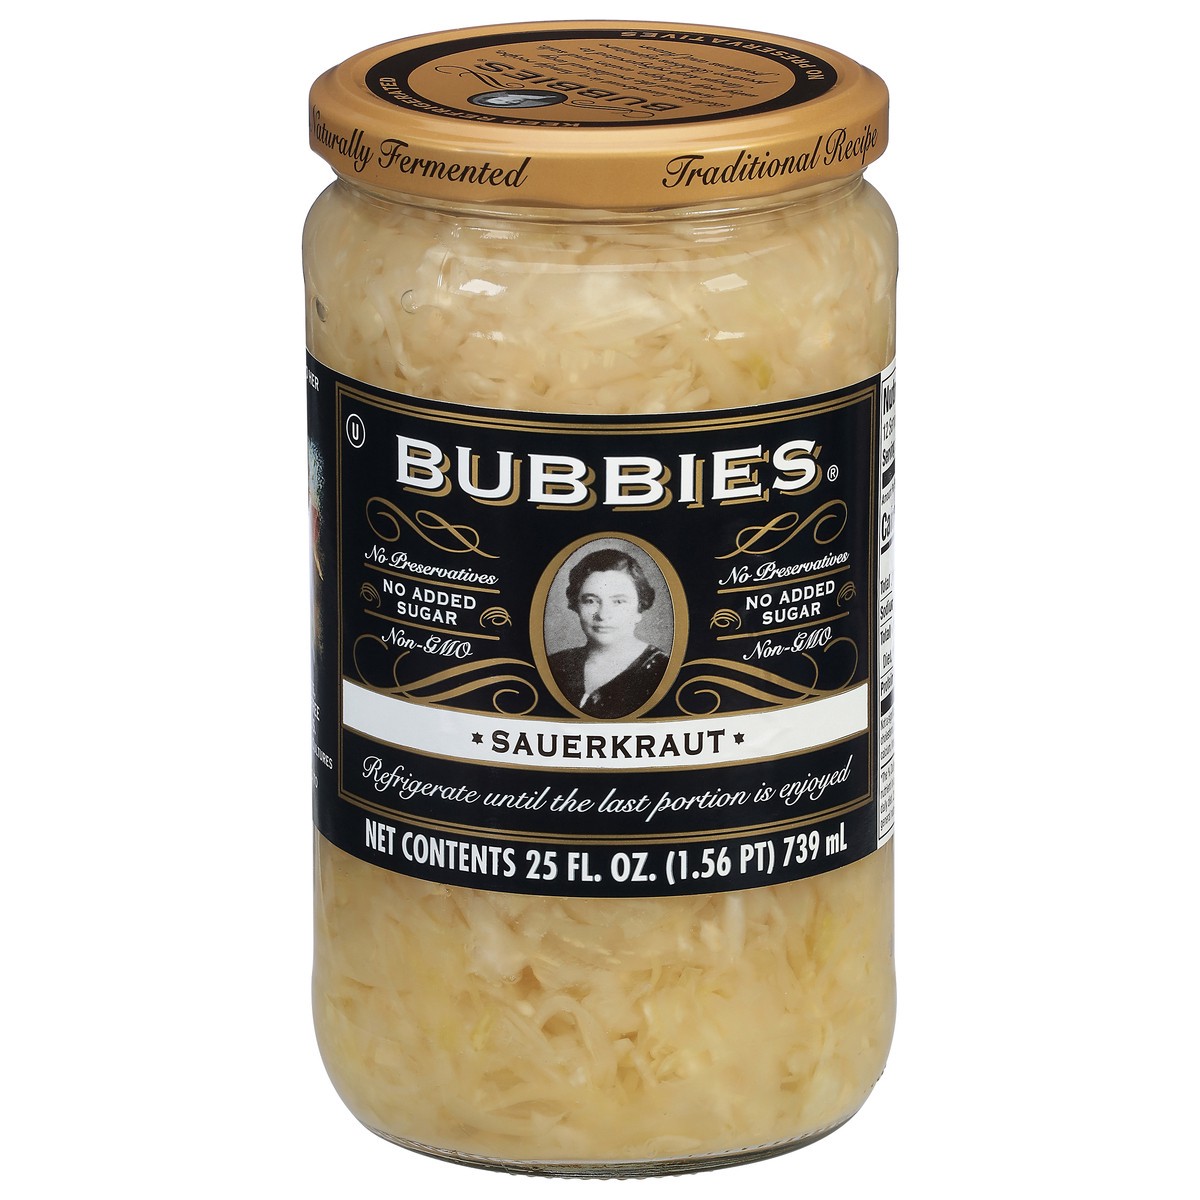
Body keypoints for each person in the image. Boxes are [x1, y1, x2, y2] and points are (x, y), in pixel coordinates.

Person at [548, 548, 669, 718]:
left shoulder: (663, 670)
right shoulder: (556, 665)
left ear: (639, 608)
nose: (603, 615)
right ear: (576, 605)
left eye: (618, 601)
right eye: (591, 601)